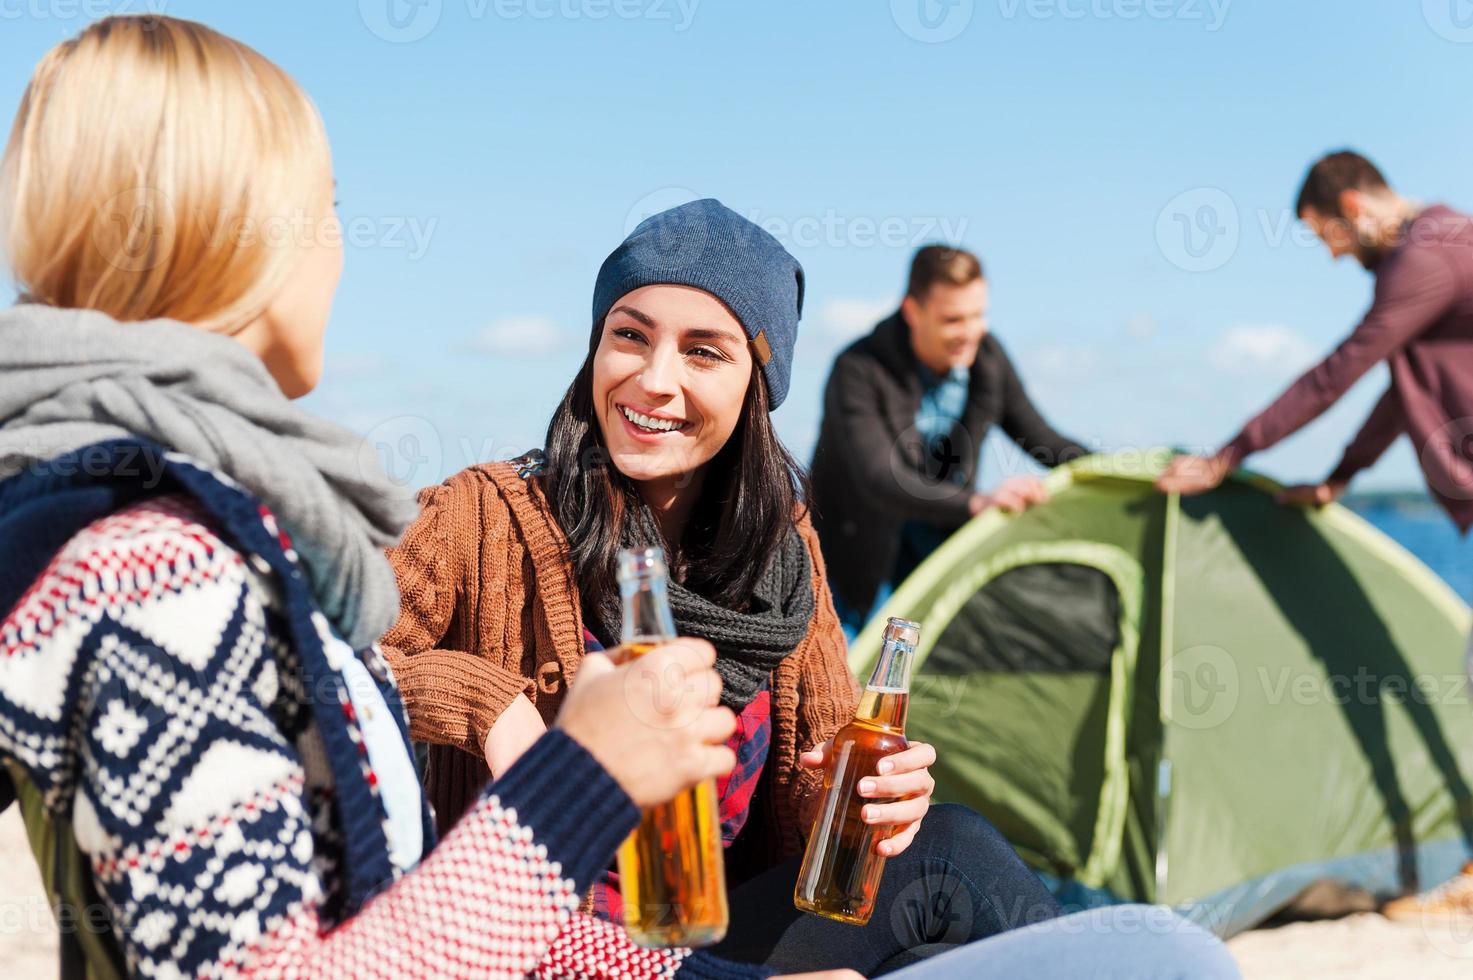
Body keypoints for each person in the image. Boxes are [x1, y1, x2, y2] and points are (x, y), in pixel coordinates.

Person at [0, 17, 841, 980]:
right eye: (326, 210)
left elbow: (404, 900)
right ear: (237, 242)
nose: (340, 251)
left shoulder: (207, 531)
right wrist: (583, 780)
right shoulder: (151, 566)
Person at [382, 201, 1080, 972]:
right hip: (541, 947)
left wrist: (864, 802)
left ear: (757, 383)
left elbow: (817, 772)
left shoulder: (783, 549)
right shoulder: (483, 515)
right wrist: (486, 701)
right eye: (629, 336)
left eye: (703, 353)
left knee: (954, 848)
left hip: (704, 936)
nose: (653, 381)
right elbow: (309, 667)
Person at [1156, 149, 1473, 921]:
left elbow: (1340, 371)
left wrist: (1230, 453)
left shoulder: (1427, 255)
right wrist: (1339, 475)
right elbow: (1404, 394)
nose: (1329, 252)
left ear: (1354, 207)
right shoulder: (1438, 253)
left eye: (1323, 233)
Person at [808, 245, 1088, 637]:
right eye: (953, 320)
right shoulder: (857, 369)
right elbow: (879, 476)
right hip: (857, 556)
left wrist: (1127, 469)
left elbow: (1044, 440)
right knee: (849, 682)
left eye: (979, 316)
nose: (970, 332)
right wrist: (977, 502)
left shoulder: (986, 359)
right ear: (912, 312)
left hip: (934, 543)